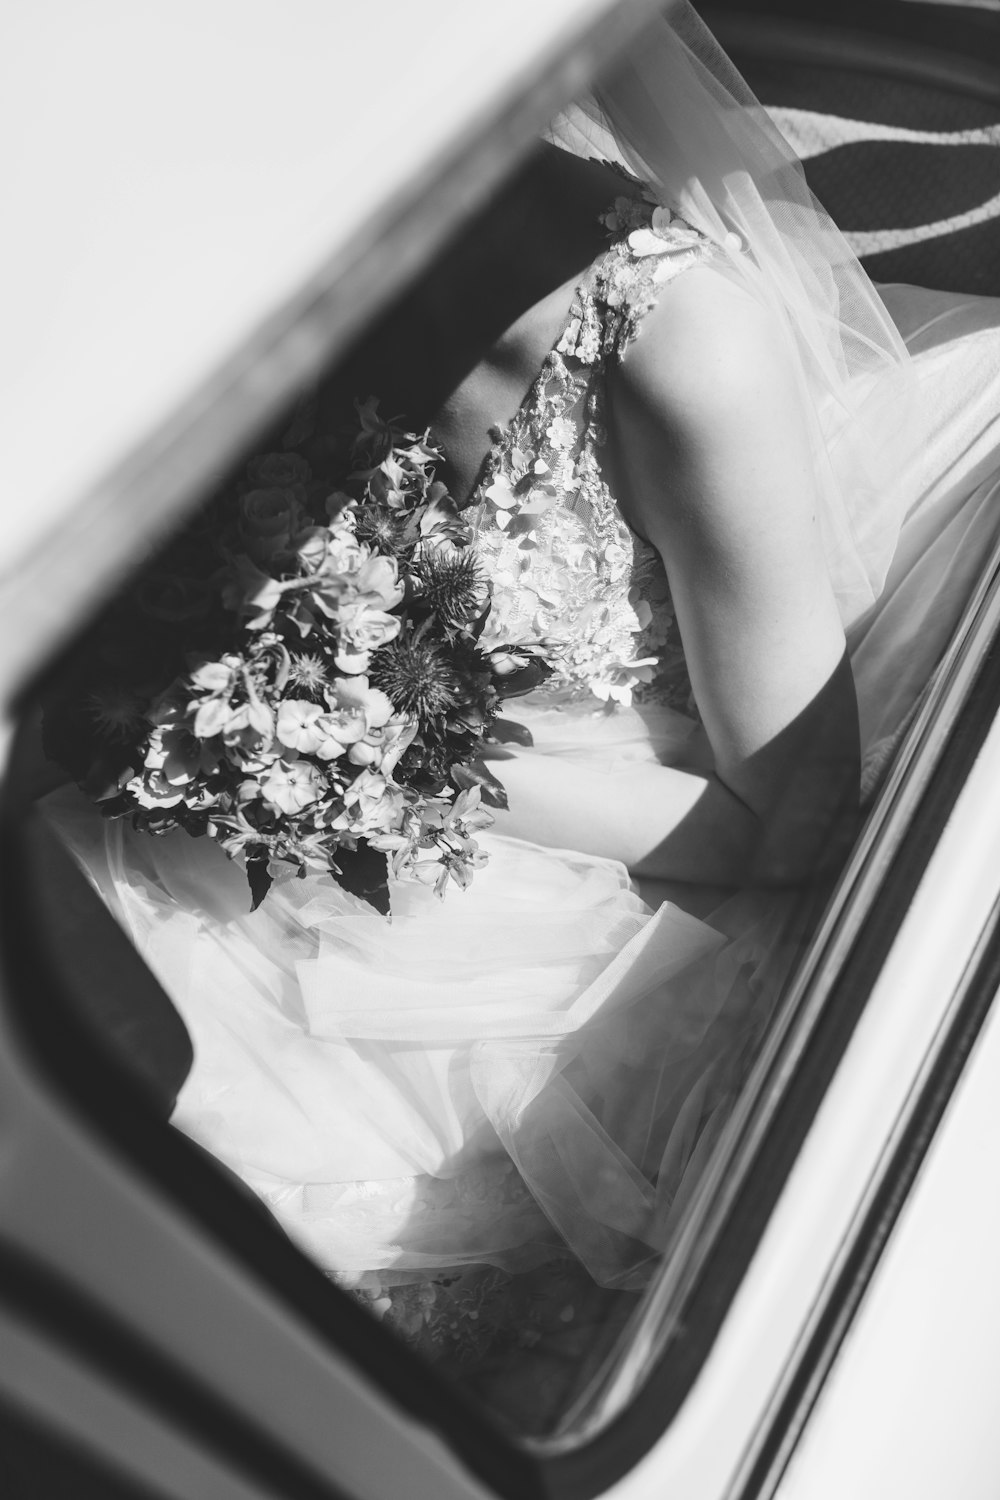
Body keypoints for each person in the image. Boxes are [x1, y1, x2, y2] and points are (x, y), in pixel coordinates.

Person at [41, 1, 1000, 1433]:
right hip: (262, 805)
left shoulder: (686, 348)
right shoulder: (237, 260)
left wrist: (360, 745)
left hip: (616, 876)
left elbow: (786, 832)